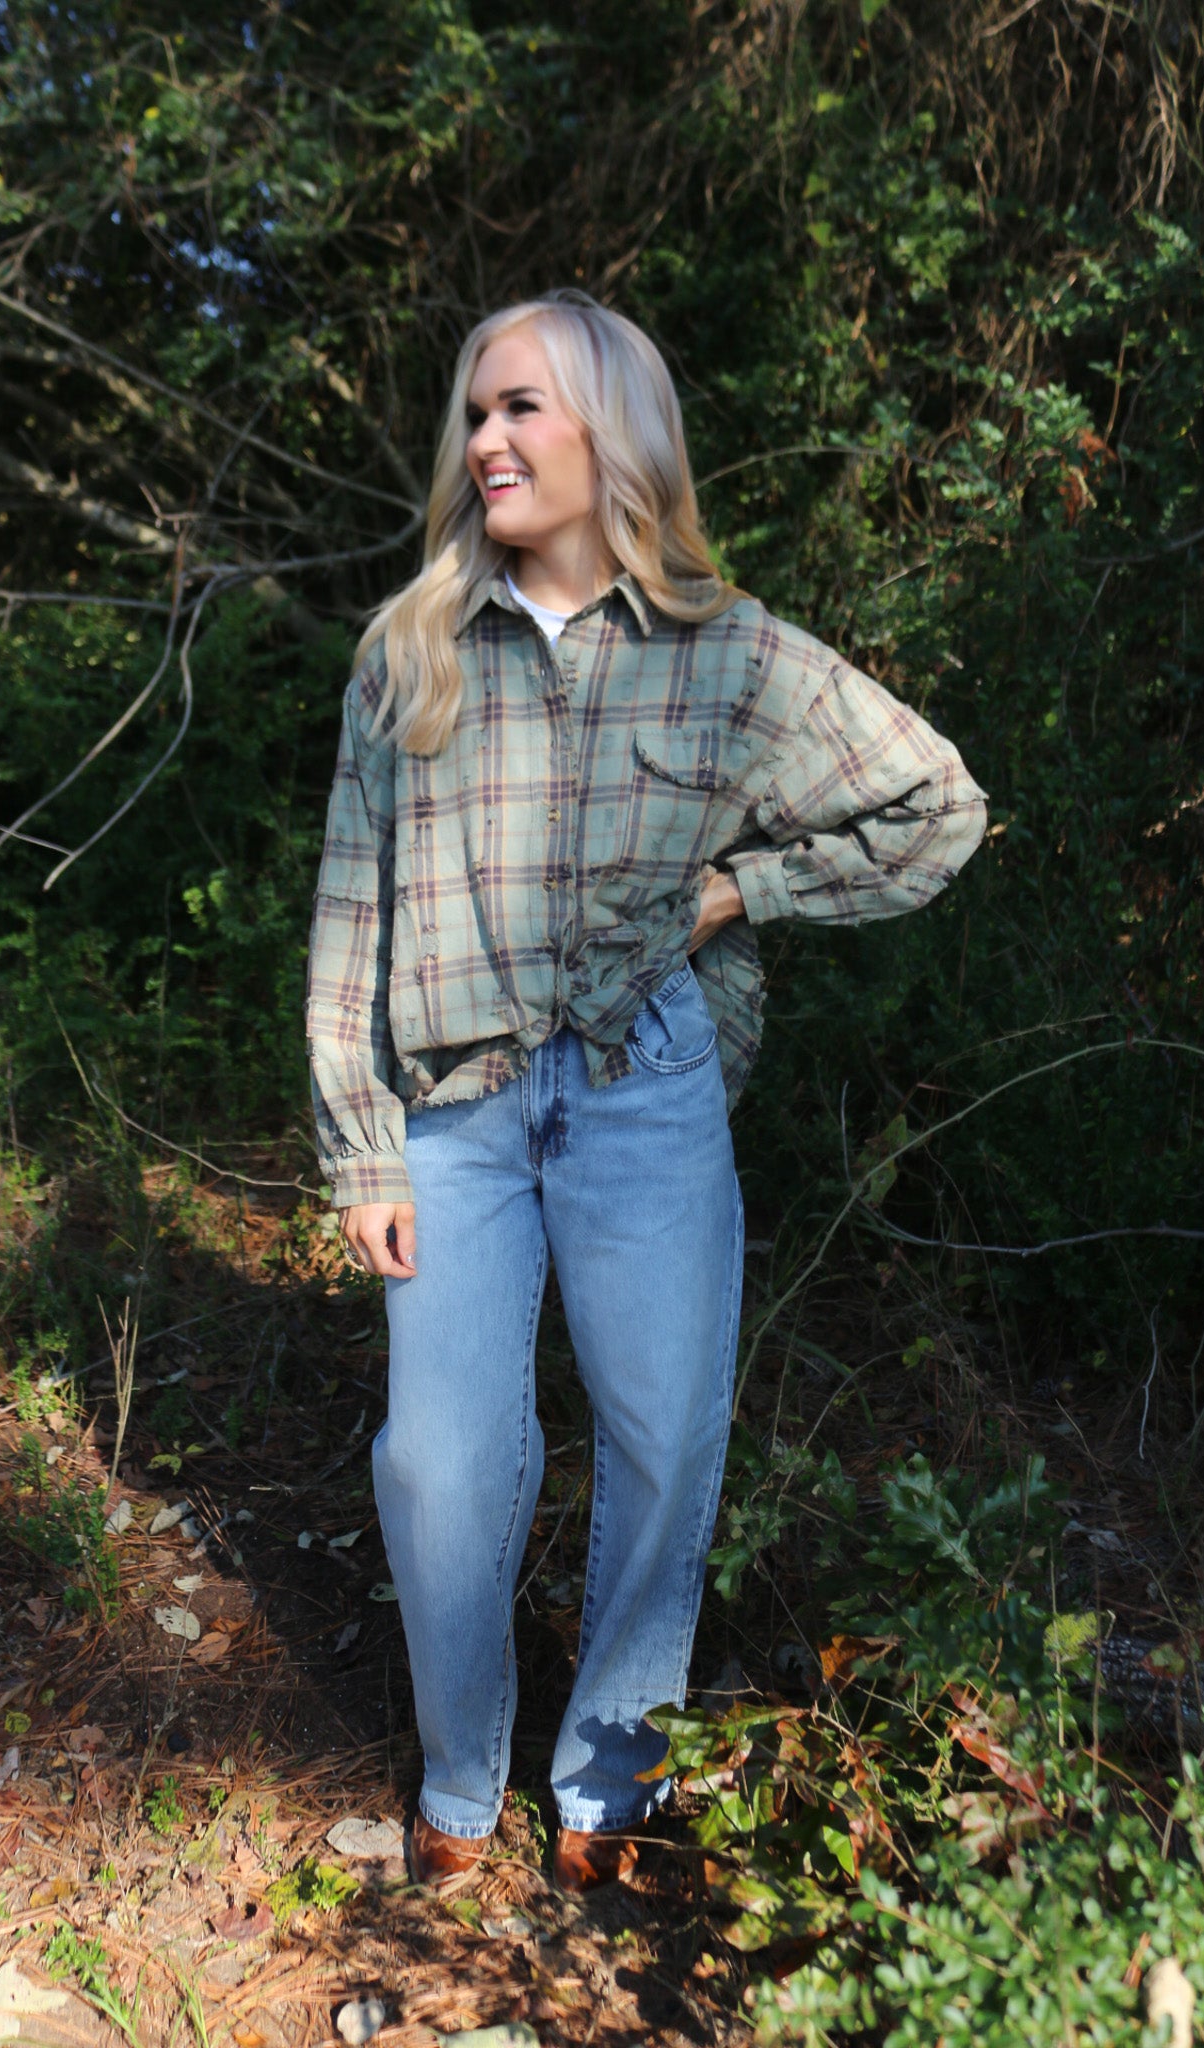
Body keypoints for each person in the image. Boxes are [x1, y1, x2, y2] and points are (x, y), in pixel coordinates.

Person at [305, 290, 986, 1895]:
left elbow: (933, 809)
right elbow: (353, 910)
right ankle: (464, 1780)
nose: (484, 441)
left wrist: (735, 892)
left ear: (614, 430)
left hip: (644, 1094)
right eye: (474, 412)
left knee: (666, 1435)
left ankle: (609, 1781)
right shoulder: (407, 652)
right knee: (438, 1461)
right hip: (454, 1113)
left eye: (522, 407)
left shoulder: (726, 653)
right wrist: (360, 1150)